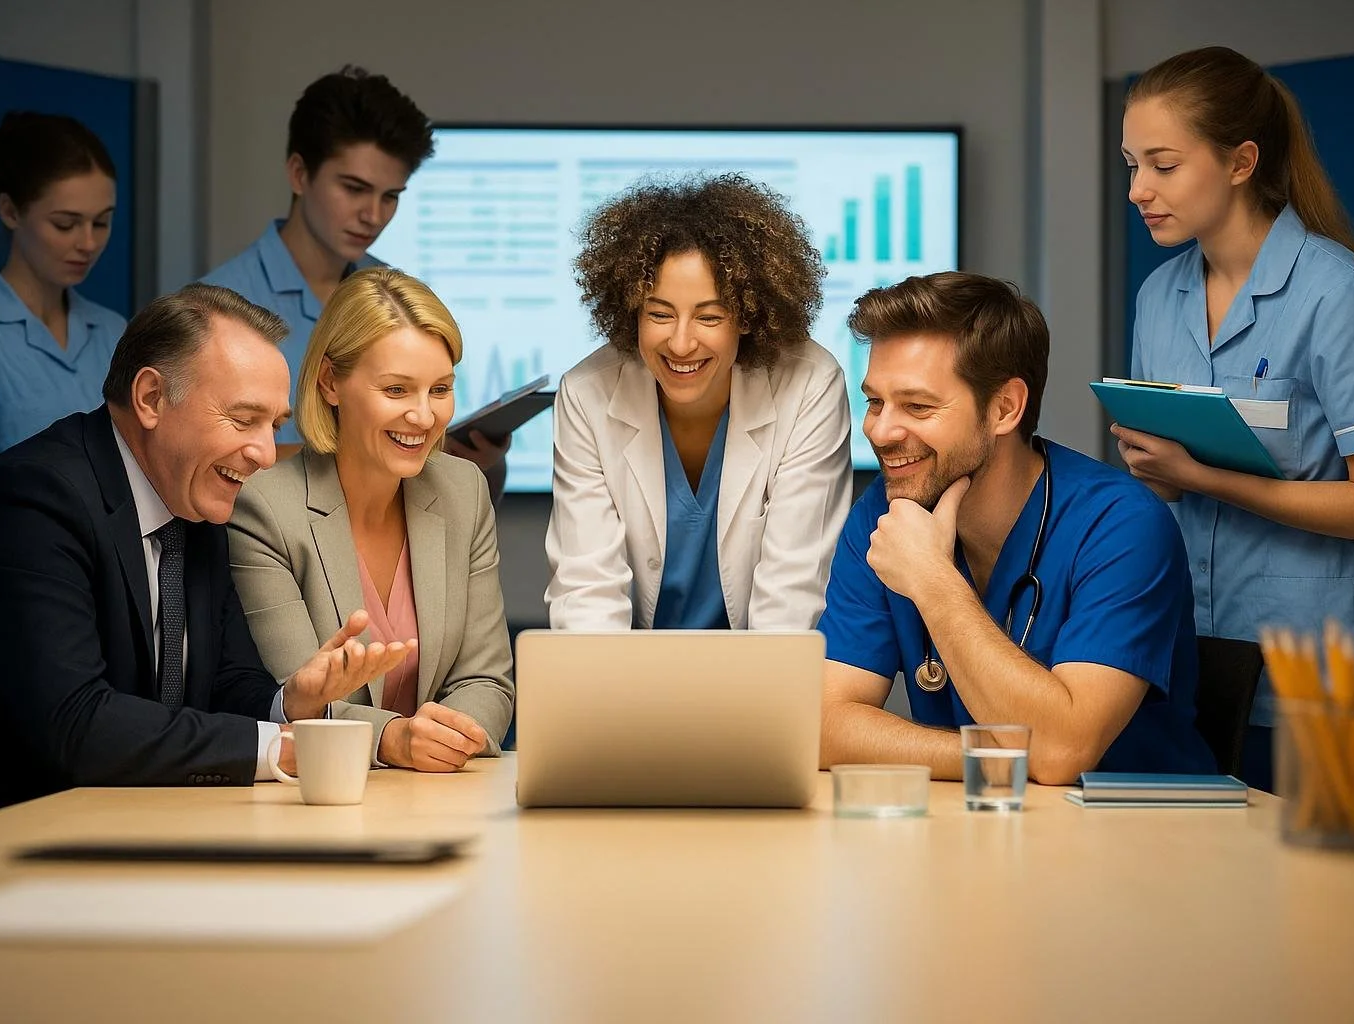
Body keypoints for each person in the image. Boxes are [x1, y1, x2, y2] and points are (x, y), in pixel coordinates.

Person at [0, 284, 410, 831]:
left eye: (275, 426)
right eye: (244, 420)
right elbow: (76, 724)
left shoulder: (194, 500)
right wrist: (280, 749)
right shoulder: (32, 500)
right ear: (151, 398)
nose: (266, 454)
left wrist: (291, 703)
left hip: (125, 830)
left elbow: (225, 687)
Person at [1116, 46, 1354, 789]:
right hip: (1190, 655)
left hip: (1319, 673)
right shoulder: (1159, 296)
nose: (1138, 190)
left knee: (1317, 866)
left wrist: (1202, 477)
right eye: (1131, 165)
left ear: (1241, 162)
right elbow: (1168, 484)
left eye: (1163, 165)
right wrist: (1155, 476)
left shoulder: (1335, 294)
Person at [818, 272, 1215, 783]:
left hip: (1138, 825)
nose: (880, 430)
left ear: (1005, 408)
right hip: (984, 816)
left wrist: (933, 581)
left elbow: (1060, 753)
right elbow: (824, 724)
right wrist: (997, 754)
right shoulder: (888, 512)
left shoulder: (1122, 525)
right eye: (875, 401)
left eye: (917, 406)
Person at [229, 268, 513, 771]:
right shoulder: (265, 507)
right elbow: (296, 697)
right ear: (330, 383)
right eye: (397, 390)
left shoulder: (464, 490)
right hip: (322, 791)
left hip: (445, 788)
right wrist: (392, 740)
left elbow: (487, 681)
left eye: (440, 389)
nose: (424, 417)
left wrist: (444, 740)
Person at [545, 173, 852, 631]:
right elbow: (587, 592)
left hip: (764, 664)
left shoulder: (809, 384)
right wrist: (608, 680)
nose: (681, 343)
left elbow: (793, 593)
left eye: (709, 317)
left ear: (748, 315)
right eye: (659, 314)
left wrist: (765, 681)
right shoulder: (587, 393)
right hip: (630, 668)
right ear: (631, 311)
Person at [201, 66, 510, 499]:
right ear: (299, 174)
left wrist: (468, 458)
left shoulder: (398, 295)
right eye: (354, 188)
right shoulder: (214, 310)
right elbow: (197, 464)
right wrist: (364, 455)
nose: (373, 215)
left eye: (390, 196)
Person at [0, 112, 128, 507]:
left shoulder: (115, 332)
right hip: (21, 547)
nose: (88, 243)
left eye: (101, 223)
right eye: (65, 224)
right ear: (10, 211)